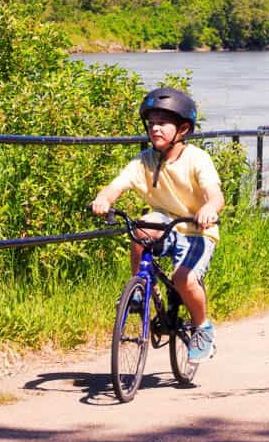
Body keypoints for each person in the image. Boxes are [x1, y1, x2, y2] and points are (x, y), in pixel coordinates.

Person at [91, 87, 225, 363]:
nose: (155, 129)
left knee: (183, 279)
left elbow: (216, 195)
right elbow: (117, 184)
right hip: (166, 222)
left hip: (197, 229)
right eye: (151, 123)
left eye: (163, 123)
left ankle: (203, 328)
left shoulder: (197, 159)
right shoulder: (145, 161)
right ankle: (139, 289)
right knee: (140, 227)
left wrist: (209, 208)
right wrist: (103, 198)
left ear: (183, 129)